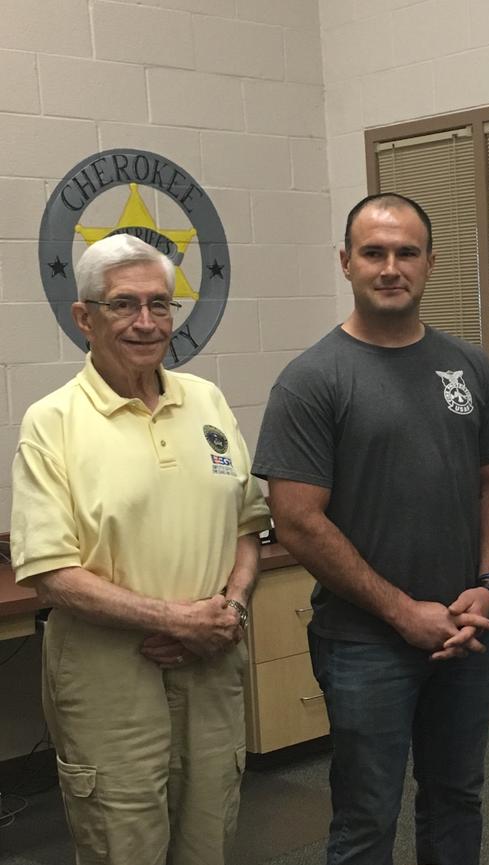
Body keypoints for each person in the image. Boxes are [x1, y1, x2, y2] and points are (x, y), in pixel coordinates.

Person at [252, 192, 489, 865]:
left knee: (457, 798)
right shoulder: (312, 380)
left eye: (407, 252)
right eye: (374, 252)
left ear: (431, 263)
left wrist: (488, 587)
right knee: (367, 817)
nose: (391, 266)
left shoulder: (468, 365)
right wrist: (404, 612)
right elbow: (297, 518)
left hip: (465, 632)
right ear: (346, 263)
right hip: (364, 642)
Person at [10, 234, 270, 865]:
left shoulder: (205, 400)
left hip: (213, 660)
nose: (147, 322)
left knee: (211, 834)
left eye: (161, 304)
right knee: (123, 841)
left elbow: (247, 527)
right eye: (125, 305)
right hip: (111, 678)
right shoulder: (53, 421)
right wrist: (174, 620)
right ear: (85, 316)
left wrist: (229, 611)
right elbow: (50, 573)